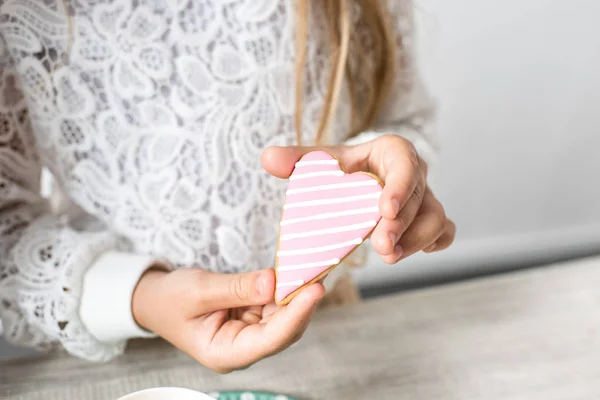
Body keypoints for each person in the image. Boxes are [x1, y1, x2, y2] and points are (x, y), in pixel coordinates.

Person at [0, 0, 455, 372]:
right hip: (114, 360)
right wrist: (141, 296)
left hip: (329, 339)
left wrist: (390, 178)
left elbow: (401, 120)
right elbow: (7, 231)